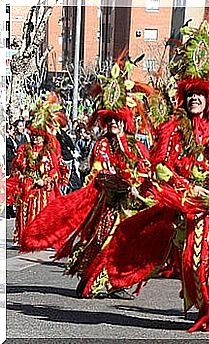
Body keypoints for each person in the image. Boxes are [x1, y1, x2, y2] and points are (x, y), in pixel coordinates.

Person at [80, 19, 209, 332]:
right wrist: (182, 187)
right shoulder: (172, 131)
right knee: (192, 263)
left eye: (200, 95)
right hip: (186, 207)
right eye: (190, 95)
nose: (194, 100)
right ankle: (205, 306)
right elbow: (161, 166)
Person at [20, 60, 152, 299]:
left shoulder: (136, 146)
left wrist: (140, 185)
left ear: (125, 121)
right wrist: (123, 184)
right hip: (107, 205)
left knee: (125, 245)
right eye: (108, 120)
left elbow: (144, 168)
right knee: (101, 240)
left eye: (116, 120)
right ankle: (92, 279)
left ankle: (115, 282)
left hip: (130, 207)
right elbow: (100, 174)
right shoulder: (101, 145)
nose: (112, 123)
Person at [8, 93, 69, 246]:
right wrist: (22, 178)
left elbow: (55, 170)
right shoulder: (23, 149)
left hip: (43, 189)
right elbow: (16, 167)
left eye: (39, 136)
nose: (36, 138)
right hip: (27, 186)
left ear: (44, 137)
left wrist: (46, 180)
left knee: (43, 213)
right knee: (24, 213)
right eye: (34, 135)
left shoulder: (49, 151)